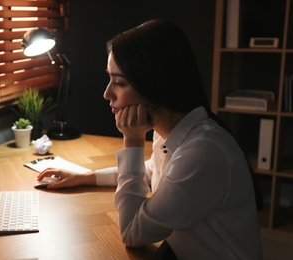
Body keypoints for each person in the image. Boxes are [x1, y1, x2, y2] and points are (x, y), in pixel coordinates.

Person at [37, 19, 263, 259]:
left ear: (155, 84)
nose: (107, 94)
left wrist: (132, 140)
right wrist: (84, 177)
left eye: (119, 82)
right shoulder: (170, 131)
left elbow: (133, 232)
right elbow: (151, 171)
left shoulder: (203, 152)